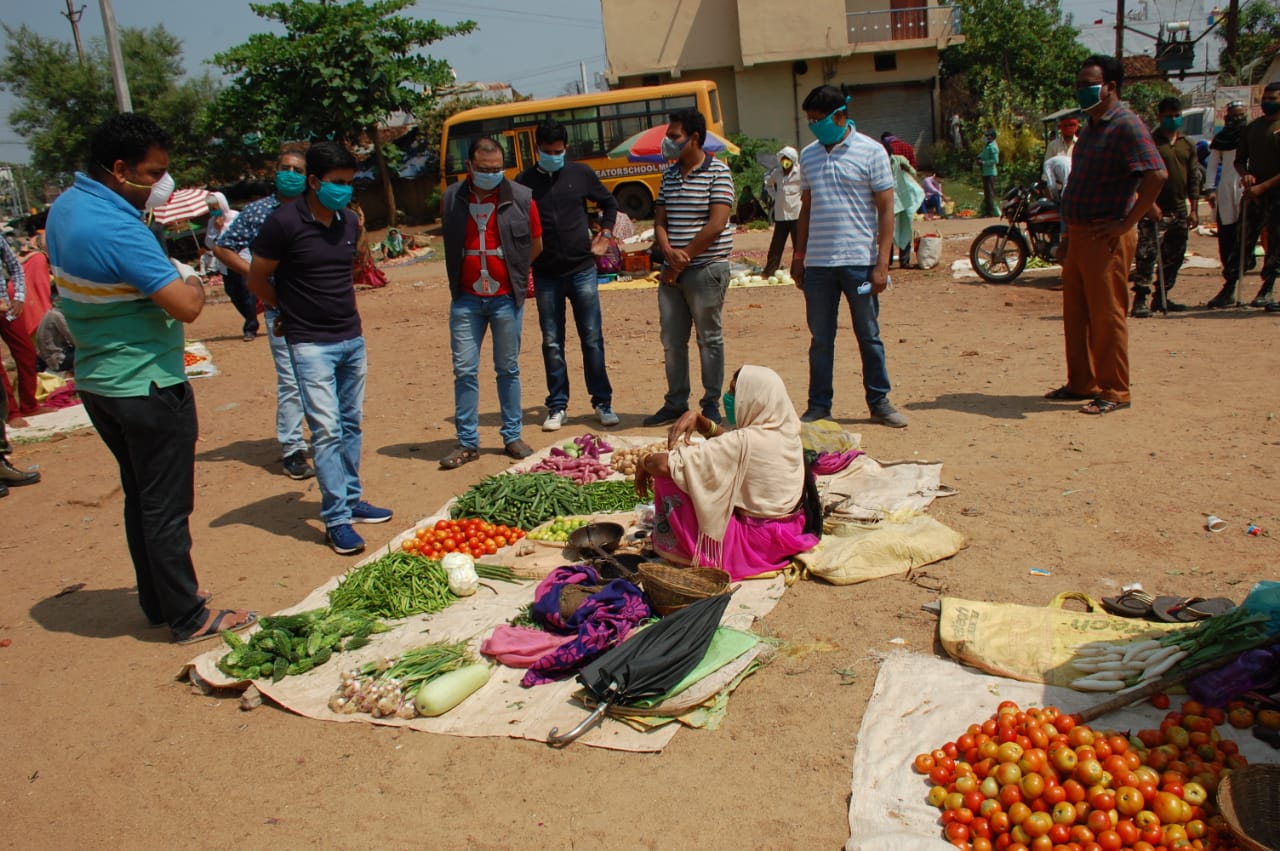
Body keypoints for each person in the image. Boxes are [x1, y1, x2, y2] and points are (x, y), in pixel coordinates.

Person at [44, 113, 254, 641]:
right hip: (146, 384)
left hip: (99, 382)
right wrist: (190, 277)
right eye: (154, 172)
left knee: (141, 497)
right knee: (166, 505)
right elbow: (186, 306)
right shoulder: (115, 226)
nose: (162, 183)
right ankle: (188, 616)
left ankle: (160, 601)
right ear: (120, 168)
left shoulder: (68, 207)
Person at [247, 141, 393, 555]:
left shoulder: (348, 222)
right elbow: (258, 280)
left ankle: (351, 498)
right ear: (313, 181)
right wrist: (284, 310)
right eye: (336, 183)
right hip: (309, 343)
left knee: (350, 424)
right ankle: (336, 519)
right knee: (326, 431)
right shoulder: (283, 223)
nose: (345, 190)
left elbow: (342, 274)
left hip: (351, 337)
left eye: (350, 183)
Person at [1048, 55, 1166, 416]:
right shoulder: (1093, 127)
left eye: (1089, 84)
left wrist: (1127, 222)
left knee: (1106, 315)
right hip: (1080, 235)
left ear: (1111, 87)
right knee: (1076, 314)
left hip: (1106, 234)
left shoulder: (1127, 125)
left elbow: (1156, 176)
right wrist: (1067, 239)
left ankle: (1115, 390)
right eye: (1079, 84)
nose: (1082, 90)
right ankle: (1082, 382)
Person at [790, 85, 907, 428]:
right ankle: (819, 405)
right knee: (821, 338)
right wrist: (799, 255)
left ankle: (879, 401)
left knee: (868, 333)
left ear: (840, 115)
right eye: (809, 120)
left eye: (818, 119)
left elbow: (886, 210)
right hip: (819, 268)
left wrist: (883, 264)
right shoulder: (808, 155)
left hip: (860, 265)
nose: (814, 125)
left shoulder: (872, 152)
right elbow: (806, 209)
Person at [635, 364, 820, 580]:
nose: (729, 398)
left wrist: (644, 461)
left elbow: (663, 465)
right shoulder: (787, 428)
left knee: (677, 478)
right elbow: (737, 447)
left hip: (756, 543)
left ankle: (684, 550)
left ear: (754, 399)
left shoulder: (745, 442)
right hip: (791, 530)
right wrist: (704, 423)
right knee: (697, 472)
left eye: (734, 392)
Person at [439, 136, 542, 469]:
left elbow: (536, 244)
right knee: (465, 370)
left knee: (508, 368)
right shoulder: (451, 199)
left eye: (498, 168)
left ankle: (512, 436)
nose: (492, 174)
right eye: (485, 169)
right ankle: (468, 442)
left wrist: (514, 271)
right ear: (469, 166)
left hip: (504, 300)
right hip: (467, 299)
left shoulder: (522, 198)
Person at [214, 149, 315, 481]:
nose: (290, 174)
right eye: (284, 168)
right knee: (291, 380)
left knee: (320, 374)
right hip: (278, 308)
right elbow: (223, 246)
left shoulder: (317, 209)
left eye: (297, 170)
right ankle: (292, 448)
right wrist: (254, 273)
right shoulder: (258, 212)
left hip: (317, 306)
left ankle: (322, 436)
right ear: (275, 172)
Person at [515, 118, 619, 433]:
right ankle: (557, 405)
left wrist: (605, 232)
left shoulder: (581, 174)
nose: (553, 155)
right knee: (551, 341)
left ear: (566, 149)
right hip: (546, 274)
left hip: (582, 270)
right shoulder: (524, 182)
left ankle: (602, 402)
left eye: (558, 150)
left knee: (592, 338)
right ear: (538, 149)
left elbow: (609, 203)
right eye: (547, 151)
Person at [644, 108, 735, 428]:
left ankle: (710, 404)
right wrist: (667, 250)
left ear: (694, 138)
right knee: (671, 339)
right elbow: (659, 221)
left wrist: (682, 259)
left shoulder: (718, 172)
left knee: (709, 338)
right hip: (672, 271)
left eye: (674, 136)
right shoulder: (668, 175)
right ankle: (675, 402)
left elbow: (717, 223)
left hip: (706, 269)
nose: (668, 142)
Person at [1131, 97, 1199, 317]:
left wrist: (1194, 208)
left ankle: (1162, 296)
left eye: (1177, 115)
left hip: (1179, 209)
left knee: (1175, 255)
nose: (1174, 119)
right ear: (1160, 117)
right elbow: (1138, 177)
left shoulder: (1187, 144)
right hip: (1152, 210)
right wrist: (1149, 204)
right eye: (1169, 116)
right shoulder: (1149, 142)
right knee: (1146, 255)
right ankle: (1140, 299)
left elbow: (1193, 178)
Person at [1234, 81, 1280, 311]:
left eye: (1273, 99)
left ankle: (1267, 287)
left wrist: (1264, 187)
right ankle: (1229, 286)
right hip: (1254, 194)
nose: (1268, 103)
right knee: (1243, 238)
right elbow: (1239, 160)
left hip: (1276, 195)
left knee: (1275, 242)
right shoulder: (1253, 128)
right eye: (1266, 99)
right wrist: (1247, 175)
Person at [1205, 100, 1250, 308]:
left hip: (1248, 186)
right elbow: (1212, 166)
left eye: (1241, 115)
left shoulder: (1251, 135)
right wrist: (1210, 189)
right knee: (1227, 235)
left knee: (1247, 236)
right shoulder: (1221, 139)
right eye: (1234, 115)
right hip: (1226, 189)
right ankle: (1229, 283)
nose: (1237, 119)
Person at [204, 191, 258, 341]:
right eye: (211, 208)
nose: (213, 210)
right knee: (233, 293)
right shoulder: (212, 222)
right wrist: (216, 229)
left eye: (215, 207)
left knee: (247, 293)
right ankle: (250, 317)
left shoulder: (237, 217)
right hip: (224, 264)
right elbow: (209, 244)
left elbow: (246, 237)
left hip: (241, 260)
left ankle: (250, 328)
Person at [0, 236, 39, 422]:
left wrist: (19, 297)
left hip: (7, 307)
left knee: (27, 353)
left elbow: (15, 267)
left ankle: (29, 405)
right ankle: (11, 412)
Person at [763, 145, 802, 276]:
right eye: (783, 160)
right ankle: (770, 270)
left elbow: (808, 188)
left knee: (799, 244)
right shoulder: (777, 172)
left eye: (788, 160)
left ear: (793, 160)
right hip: (781, 214)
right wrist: (775, 196)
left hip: (796, 213)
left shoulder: (800, 172)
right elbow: (768, 184)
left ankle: (800, 270)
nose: (785, 163)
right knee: (776, 244)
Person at [885, 142, 924, 269]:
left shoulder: (899, 160)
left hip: (904, 199)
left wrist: (906, 168)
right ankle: (887, 261)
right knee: (888, 231)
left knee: (906, 227)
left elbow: (914, 172)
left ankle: (904, 261)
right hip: (889, 201)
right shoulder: (878, 163)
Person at [978, 129, 1000, 217]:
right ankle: (987, 211)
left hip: (990, 173)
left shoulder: (993, 147)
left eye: (988, 136)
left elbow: (995, 160)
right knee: (987, 194)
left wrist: (984, 163)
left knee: (990, 193)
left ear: (992, 137)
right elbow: (983, 154)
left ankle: (992, 213)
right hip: (985, 172)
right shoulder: (988, 146)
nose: (986, 138)